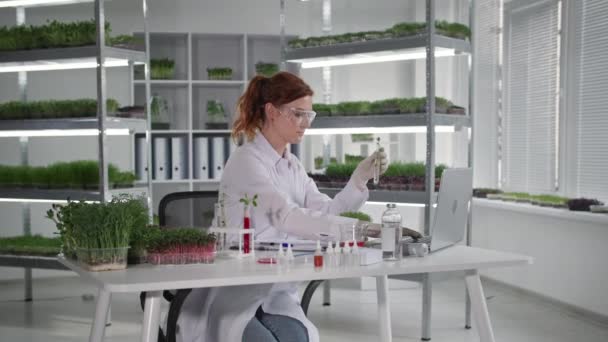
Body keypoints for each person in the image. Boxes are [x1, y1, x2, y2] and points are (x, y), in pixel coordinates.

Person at [177, 72, 387, 342]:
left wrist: (358, 180)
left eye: (309, 116)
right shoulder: (246, 161)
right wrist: (362, 228)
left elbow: (325, 213)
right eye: (298, 114)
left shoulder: (292, 166)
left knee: (299, 338)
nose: (305, 124)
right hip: (233, 289)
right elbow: (287, 216)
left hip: (275, 291)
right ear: (272, 112)